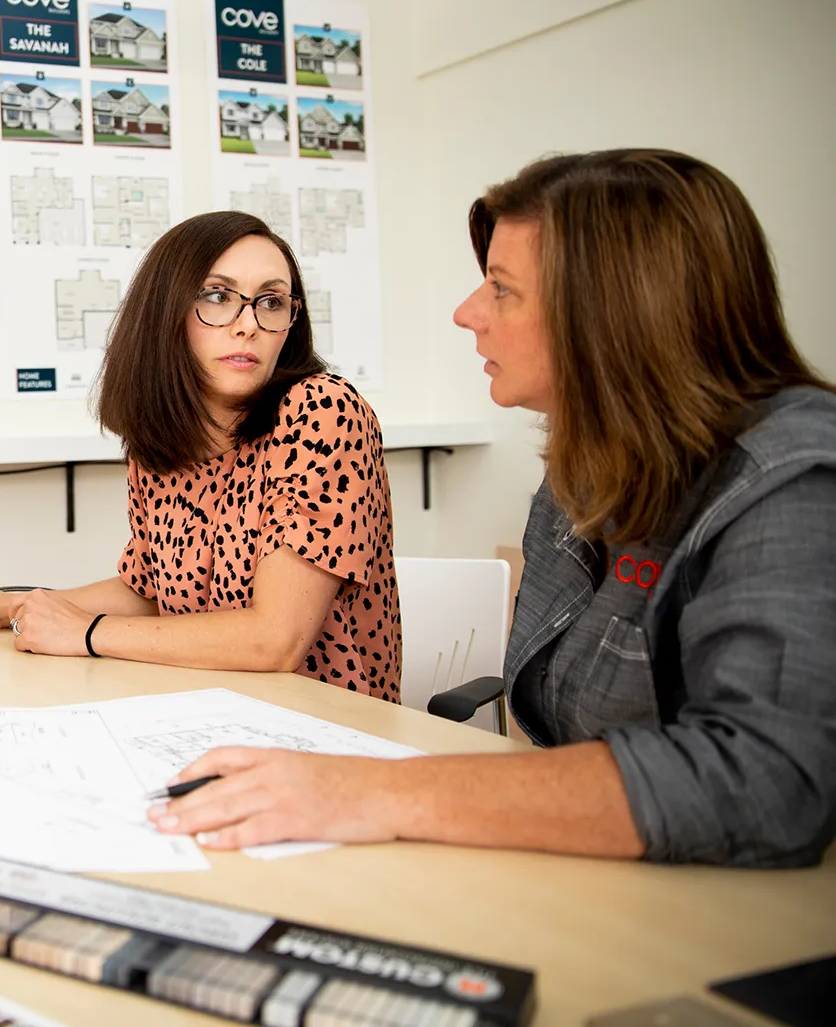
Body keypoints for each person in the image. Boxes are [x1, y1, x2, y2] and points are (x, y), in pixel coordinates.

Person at [148, 150, 836, 867]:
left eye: (501, 289)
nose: (467, 313)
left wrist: (380, 792)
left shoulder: (795, 480)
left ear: (616, 309)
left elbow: (767, 783)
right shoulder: (584, 473)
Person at [0, 212, 400, 699]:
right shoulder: (163, 442)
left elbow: (275, 640)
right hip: (205, 707)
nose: (248, 325)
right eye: (217, 296)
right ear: (165, 311)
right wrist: (7, 607)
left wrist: (86, 632)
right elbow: (150, 592)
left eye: (271, 302)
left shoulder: (322, 411)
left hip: (328, 728)